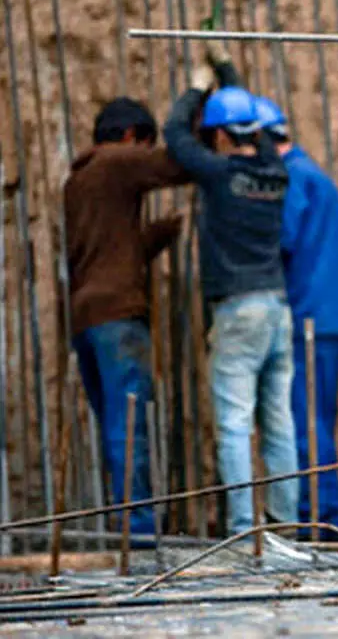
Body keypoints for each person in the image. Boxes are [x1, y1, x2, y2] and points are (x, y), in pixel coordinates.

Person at [163, 43, 298, 537]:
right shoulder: (275, 171)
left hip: (239, 310)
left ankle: (244, 530)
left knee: (235, 424)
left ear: (219, 134)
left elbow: (175, 135)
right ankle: (283, 524)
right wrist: (226, 71)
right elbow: (253, 126)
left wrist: (198, 87)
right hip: (277, 308)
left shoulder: (221, 176)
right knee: (279, 423)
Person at [65, 98, 189, 544]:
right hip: (118, 316)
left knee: (115, 424)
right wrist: (190, 117)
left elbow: (110, 250)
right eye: (144, 145)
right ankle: (136, 532)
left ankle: (127, 525)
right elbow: (177, 165)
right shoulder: (117, 161)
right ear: (131, 136)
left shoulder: (78, 179)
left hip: (85, 317)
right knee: (130, 424)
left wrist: (157, 235)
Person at [255, 96, 338, 538]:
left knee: (305, 423)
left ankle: (321, 523)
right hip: (330, 317)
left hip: (305, 319)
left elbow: (282, 239)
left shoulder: (292, 177)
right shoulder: (321, 179)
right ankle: (324, 518)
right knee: (318, 420)